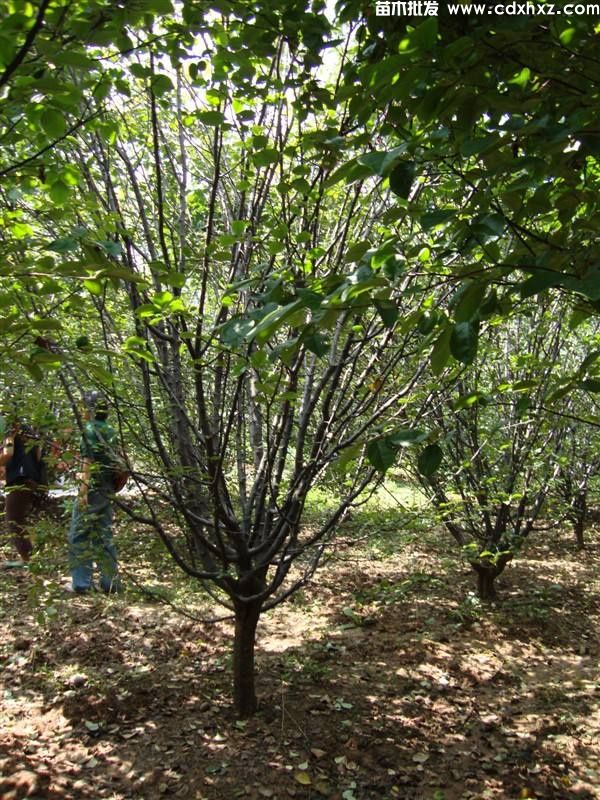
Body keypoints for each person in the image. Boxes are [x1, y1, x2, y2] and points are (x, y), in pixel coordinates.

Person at [68, 393, 122, 594]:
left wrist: (83, 492)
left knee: (79, 535)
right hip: (107, 488)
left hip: (92, 488)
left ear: (88, 409)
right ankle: (110, 582)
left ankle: (81, 583)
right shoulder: (110, 430)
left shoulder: (89, 430)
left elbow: (87, 462)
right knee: (104, 533)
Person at [0, 420, 46, 566]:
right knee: (19, 519)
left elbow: (8, 452)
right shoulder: (29, 429)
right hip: (32, 477)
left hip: (20, 478)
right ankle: (29, 558)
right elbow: (39, 455)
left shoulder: (10, 426)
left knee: (13, 520)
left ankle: (29, 561)